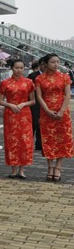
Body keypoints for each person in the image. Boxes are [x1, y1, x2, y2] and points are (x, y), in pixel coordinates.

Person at [35, 54, 73, 182]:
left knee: (62, 139)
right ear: (46, 64)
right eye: (53, 62)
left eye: (57, 62)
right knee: (49, 139)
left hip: (62, 112)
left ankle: (58, 167)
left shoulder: (64, 77)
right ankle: (50, 167)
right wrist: (47, 110)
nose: (56, 64)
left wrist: (62, 111)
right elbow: (39, 97)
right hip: (46, 112)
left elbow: (67, 95)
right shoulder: (40, 78)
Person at [0, 59, 35, 179]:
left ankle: (22, 170)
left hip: (24, 114)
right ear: (11, 68)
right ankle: (13, 169)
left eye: (21, 68)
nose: (19, 70)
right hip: (10, 114)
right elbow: (0, 100)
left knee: (24, 141)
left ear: (24, 69)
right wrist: (10, 105)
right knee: (11, 141)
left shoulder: (29, 82)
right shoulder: (5, 83)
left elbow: (33, 100)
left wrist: (23, 104)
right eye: (16, 68)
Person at [28, 59, 45, 152]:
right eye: (42, 65)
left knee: (42, 123)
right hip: (35, 103)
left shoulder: (49, 77)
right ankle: (29, 142)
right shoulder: (33, 76)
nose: (44, 67)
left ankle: (39, 143)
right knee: (34, 123)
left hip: (46, 103)